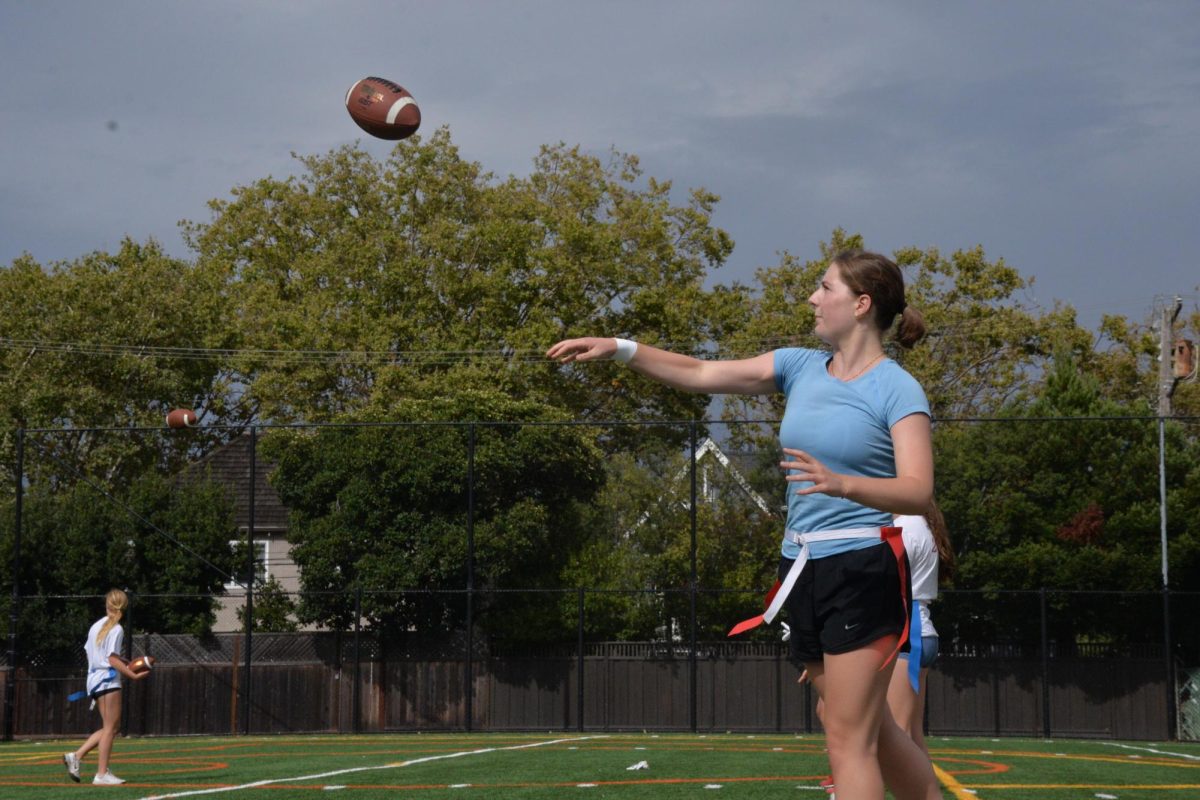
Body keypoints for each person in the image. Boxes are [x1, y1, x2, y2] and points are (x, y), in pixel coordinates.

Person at [548, 249, 941, 800]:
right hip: (801, 566)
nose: (812, 297)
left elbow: (918, 490)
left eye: (824, 287)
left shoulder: (898, 388)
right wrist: (620, 349)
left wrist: (843, 483)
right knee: (864, 728)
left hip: (861, 565)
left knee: (847, 739)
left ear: (860, 304)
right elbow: (702, 372)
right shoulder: (800, 367)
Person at [888, 501, 954, 755]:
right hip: (921, 629)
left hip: (908, 632)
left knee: (899, 732)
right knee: (913, 732)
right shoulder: (922, 524)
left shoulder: (903, 526)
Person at [62, 589, 148, 785]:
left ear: (107, 604)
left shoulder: (96, 625)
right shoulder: (117, 629)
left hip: (94, 679)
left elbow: (95, 654)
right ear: (124, 606)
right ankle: (101, 774)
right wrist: (132, 674)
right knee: (111, 728)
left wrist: (120, 661)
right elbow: (110, 659)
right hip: (107, 679)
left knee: (111, 727)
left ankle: (76, 756)